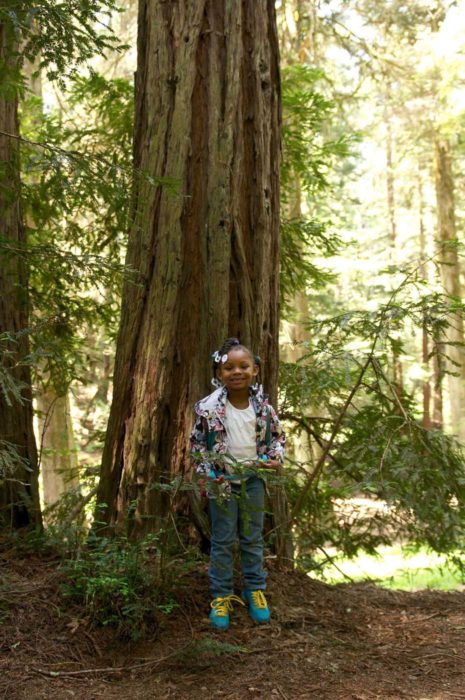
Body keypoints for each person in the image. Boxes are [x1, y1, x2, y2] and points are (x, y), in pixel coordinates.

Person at [190, 337, 285, 630]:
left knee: (252, 538)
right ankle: (221, 596)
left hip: (253, 479)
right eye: (229, 367)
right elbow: (197, 445)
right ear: (220, 373)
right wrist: (208, 472)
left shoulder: (264, 409)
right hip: (222, 480)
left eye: (244, 366)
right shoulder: (209, 409)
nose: (237, 372)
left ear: (255, 369)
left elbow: (277, 439)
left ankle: (255, 590)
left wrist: (274, 459)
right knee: (222, 540)